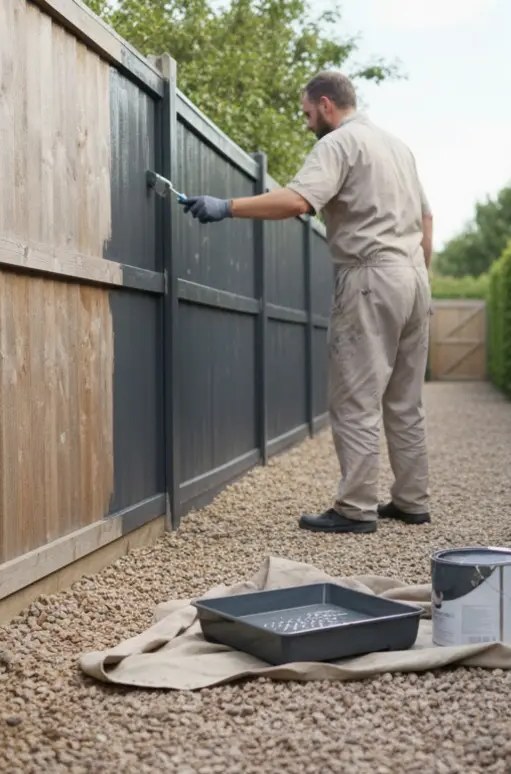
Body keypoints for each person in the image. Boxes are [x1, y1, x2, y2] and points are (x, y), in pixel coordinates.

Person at [180, 71, 434, 535]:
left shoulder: (338, 144)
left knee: (356, 396)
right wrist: (418, 275)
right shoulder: (398, 148)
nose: (306, 123)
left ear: (325, 104)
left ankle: (356, 508)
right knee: (405, 399)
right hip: (415, 277)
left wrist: (227, 206)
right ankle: (412, 500)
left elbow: (299, 201)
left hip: (371, 275)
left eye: (306, 113)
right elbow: (427, 217)